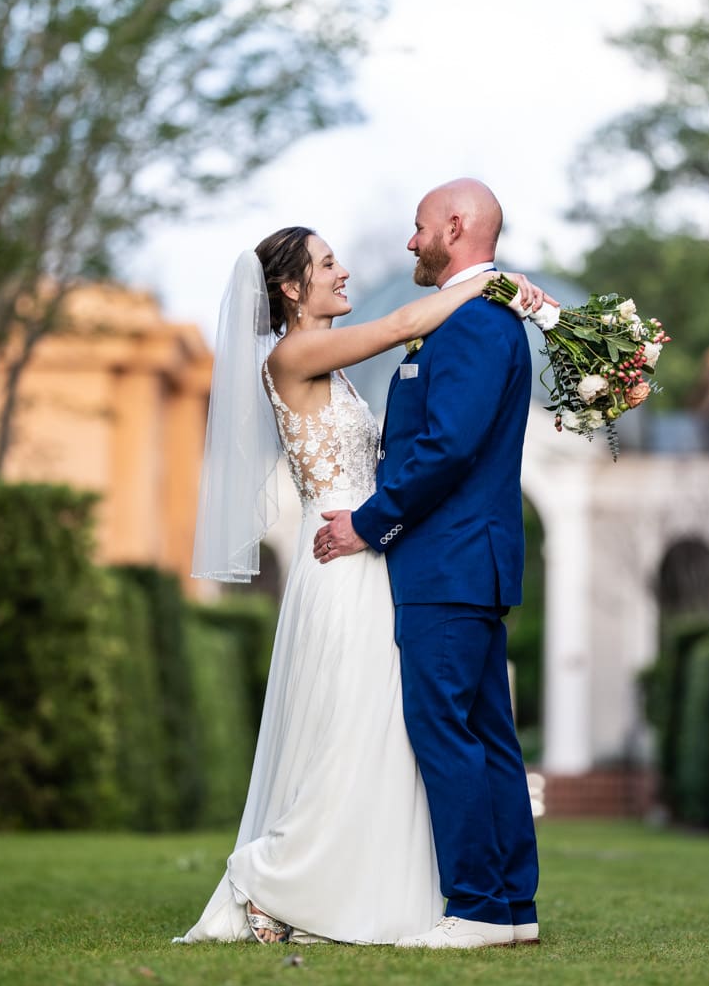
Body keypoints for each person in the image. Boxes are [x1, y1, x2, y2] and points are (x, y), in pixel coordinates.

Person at [173, 222, 544, 946]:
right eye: (327, 264)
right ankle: (277, 878)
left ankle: (358, 886)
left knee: (374, 733)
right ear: (289, 289)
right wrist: (491, 284)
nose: (344, 272)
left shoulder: (327, 364)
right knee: (349, 730)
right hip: (340, 563)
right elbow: (405, 321)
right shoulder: (296, 351)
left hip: (370, 558)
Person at [312, 179, 541, 949]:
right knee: (485, 733)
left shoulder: (475, 322)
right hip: (464, 564)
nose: (410, 244)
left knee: (445, 729)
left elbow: (446, 448)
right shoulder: (475, 315)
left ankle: (476, 907)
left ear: (455, 225)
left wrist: (368, 525)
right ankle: (512, 910)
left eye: (418, 230)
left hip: (448, 564)